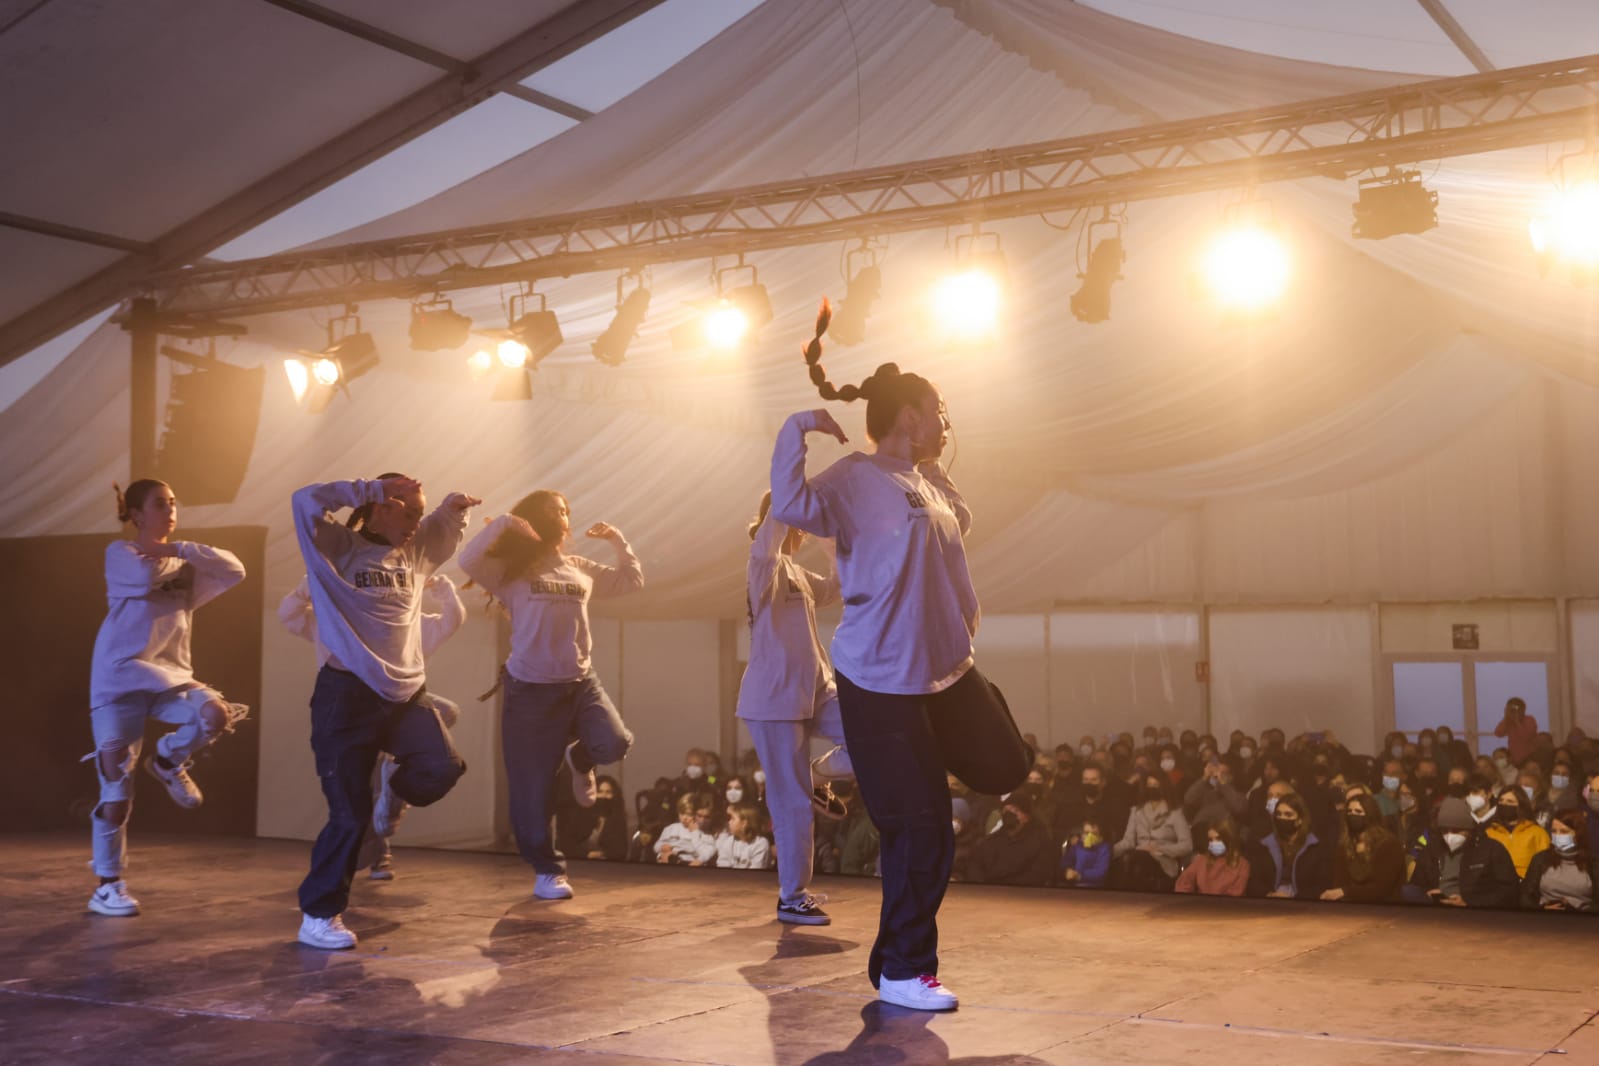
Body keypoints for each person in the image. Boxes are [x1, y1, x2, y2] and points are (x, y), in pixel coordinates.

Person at [772, 314, 1030, 1012]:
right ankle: (904, 971)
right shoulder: (853, 479)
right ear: (908, 414)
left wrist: (931, 462)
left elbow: (959, 522)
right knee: (920, 828)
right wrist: (795, 430)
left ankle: (878, 764)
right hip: (881, 679)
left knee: (1007, 764)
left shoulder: (920, 479)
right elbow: (793, 504)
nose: (946, 418)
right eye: (937, 409)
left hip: (947, 669)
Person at [291, 474, 475, 949]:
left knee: (443, 767)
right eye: (408, 512)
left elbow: (442, 531)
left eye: (420, 513)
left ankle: (391, 797)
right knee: (347, 817)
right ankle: (319, 915)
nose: (416, 522)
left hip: (403, 697)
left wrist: (453, 509)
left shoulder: (415, 553)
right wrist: (365, 488)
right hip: (345, 697)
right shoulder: (336, 545)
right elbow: (304, 500)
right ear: (381, 506)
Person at [459, 490, 642, 902]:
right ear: (534, 520)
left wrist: (617, 541)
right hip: (531, 691)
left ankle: (580, 758)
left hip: (580, 681)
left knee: (614, 742)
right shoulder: (510, 571)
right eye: (554, 510)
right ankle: (547, 870)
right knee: (532, 789)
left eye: (565, 510)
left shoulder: (577, 567)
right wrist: (504, 523)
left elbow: (631, 580)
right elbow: (467, 562)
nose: (563, 516)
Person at [84, 480, 249, 918]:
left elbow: (235, 569)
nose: (171, 510)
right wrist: (171, 555)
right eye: (161, 505)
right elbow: (141, 578)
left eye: (174, 503)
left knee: (215, 713)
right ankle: (108, 884)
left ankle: (168, 759)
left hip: (169, 675)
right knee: (117, 791)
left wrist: (180, 548)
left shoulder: (181, 556)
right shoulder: (121, 554)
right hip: (119, 677)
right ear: (136, 514)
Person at [279, 570, 467, 880]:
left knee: (444, 715)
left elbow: (453, 618)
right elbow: (288, 614)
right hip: (351, 711)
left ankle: (397, 778)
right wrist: (309, 584)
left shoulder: (414, 624)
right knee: (359, 789)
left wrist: (444, 588)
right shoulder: (334, 620)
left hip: (396, 706)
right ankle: (376, 853)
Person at [736, 490, 851, 926]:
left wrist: (831, 544)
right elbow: (768, 537)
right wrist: (788, 497)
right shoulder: (762, 565)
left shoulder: (797, 574)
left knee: (874, 734)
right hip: (773, 702)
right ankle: (792, 897)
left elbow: (837, 586)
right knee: (792, 806)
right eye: (795, 521)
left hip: (816, 692)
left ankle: (818, 774)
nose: (800, 528)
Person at [1406, 796, 1519, 909]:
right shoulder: (1432, 849)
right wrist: (1426, 895)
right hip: (1435, 909)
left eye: (1456, 830)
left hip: (1475, 913)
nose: (1450, 835)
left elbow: (1508, 890)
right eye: (1445, 830)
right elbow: (1417, 884)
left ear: (1469, 829)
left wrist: (1469, 902)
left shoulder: (1492, 849)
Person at [1110, 775, 1192, 892]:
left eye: (1156, 785)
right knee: (1133, 860)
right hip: (1138, 856)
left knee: (1137, 861)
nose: (1152, 788)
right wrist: (1107, 853)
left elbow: (1187, 846)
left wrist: (1160, 849)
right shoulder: (1137, 811)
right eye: (1149, 785)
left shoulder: (1175, 813)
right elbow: (1128, 841)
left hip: (1163, 859)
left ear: (1163, 787)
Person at [1321, 793, 1404, 903]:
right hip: (1350, 906)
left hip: (1384, 907)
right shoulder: (1344, 845)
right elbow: (1339, 883)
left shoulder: (1389, 844)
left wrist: (1345, 892)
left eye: (1358, 812)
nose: (1353, 815)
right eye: (1349, 811)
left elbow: (1381, 889)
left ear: (1371, 815)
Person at [1246, 791, 1330, 900]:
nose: (1282, 818)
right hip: (1270, 902)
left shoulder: (1315, 847)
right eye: (1279, 814)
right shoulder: (1265, 845)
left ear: (1300, 820)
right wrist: (1270, 895)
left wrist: (1294, 898)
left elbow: (1321, 886)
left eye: (1288, 814)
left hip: (1303, 905)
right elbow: (1253, 883)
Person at [965, 789, 1054, 887]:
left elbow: (1037, 875)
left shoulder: (1041, 844)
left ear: (1027, 818)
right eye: (1006, 810)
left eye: (1015, 810)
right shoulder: (989, 842)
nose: (1010, 814)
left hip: (1019, 894)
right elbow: (975, 866)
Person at [1520, 809, 1598, 912]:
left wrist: (1579, 911)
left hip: (1582, 920)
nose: (1558, 835)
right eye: (1554, 831)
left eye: (1564, 831)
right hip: (1544, 917)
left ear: (1578, 834)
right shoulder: (1541, 859)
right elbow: (1525, 896)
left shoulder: (1593, 863)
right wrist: (1540, 909)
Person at [1485, 784, 1550, 879]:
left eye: (1510, 801)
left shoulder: (1537, 832)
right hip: (1495, 884)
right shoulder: (1488, 832)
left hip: (1526, 884)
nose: (1504, 804)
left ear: (1521, 805)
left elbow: (1545, 864)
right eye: (1501, 801)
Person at [1175, 820, 1250, 897]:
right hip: (1201, 906)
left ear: (1228, 839)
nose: (1214, 843)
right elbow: (1183, 883)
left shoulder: (1242, 864)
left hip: (1227, 907)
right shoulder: (1201, 860)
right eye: (1211, 839)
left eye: (1218, 838)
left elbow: (1236, 894)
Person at [656, 792, 718, 866]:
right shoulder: (671, 829)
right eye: (682, 813)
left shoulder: (704, 834)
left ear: (694, 815)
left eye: (689, 814)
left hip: (689, 863)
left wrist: (694, 833)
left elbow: (709, 851)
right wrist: (662, 848)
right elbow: (657, 846)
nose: (685, 818)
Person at [716, 803, 774, 870]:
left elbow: (756, 874)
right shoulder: (729, 841)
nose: (729, 822)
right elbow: (722, 865)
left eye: (732, 819)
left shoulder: (760, 844)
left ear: (744, 823)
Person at [1060, 818, 1112, 888]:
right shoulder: (1078, 846)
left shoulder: (1104, 849)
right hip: (1075, 887)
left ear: (1101, 836)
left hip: (1096, 889)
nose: (1089, 836)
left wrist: (1080, 875)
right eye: (1086, 833)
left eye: (1094, 834)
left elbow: (1101, 871)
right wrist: (1068, 870)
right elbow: (1066, 860)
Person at [1494, 697, 1538, 767]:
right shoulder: (1509, 722)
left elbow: (1526, 737)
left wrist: (1517, 721)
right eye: (1510, 709)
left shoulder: (1529, 719)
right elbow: (1498, 733)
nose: (1513, 711)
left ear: (1523, 710)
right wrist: (1506, 717)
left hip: (1529, 758)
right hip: (1514, 759)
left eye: (1515, 709)